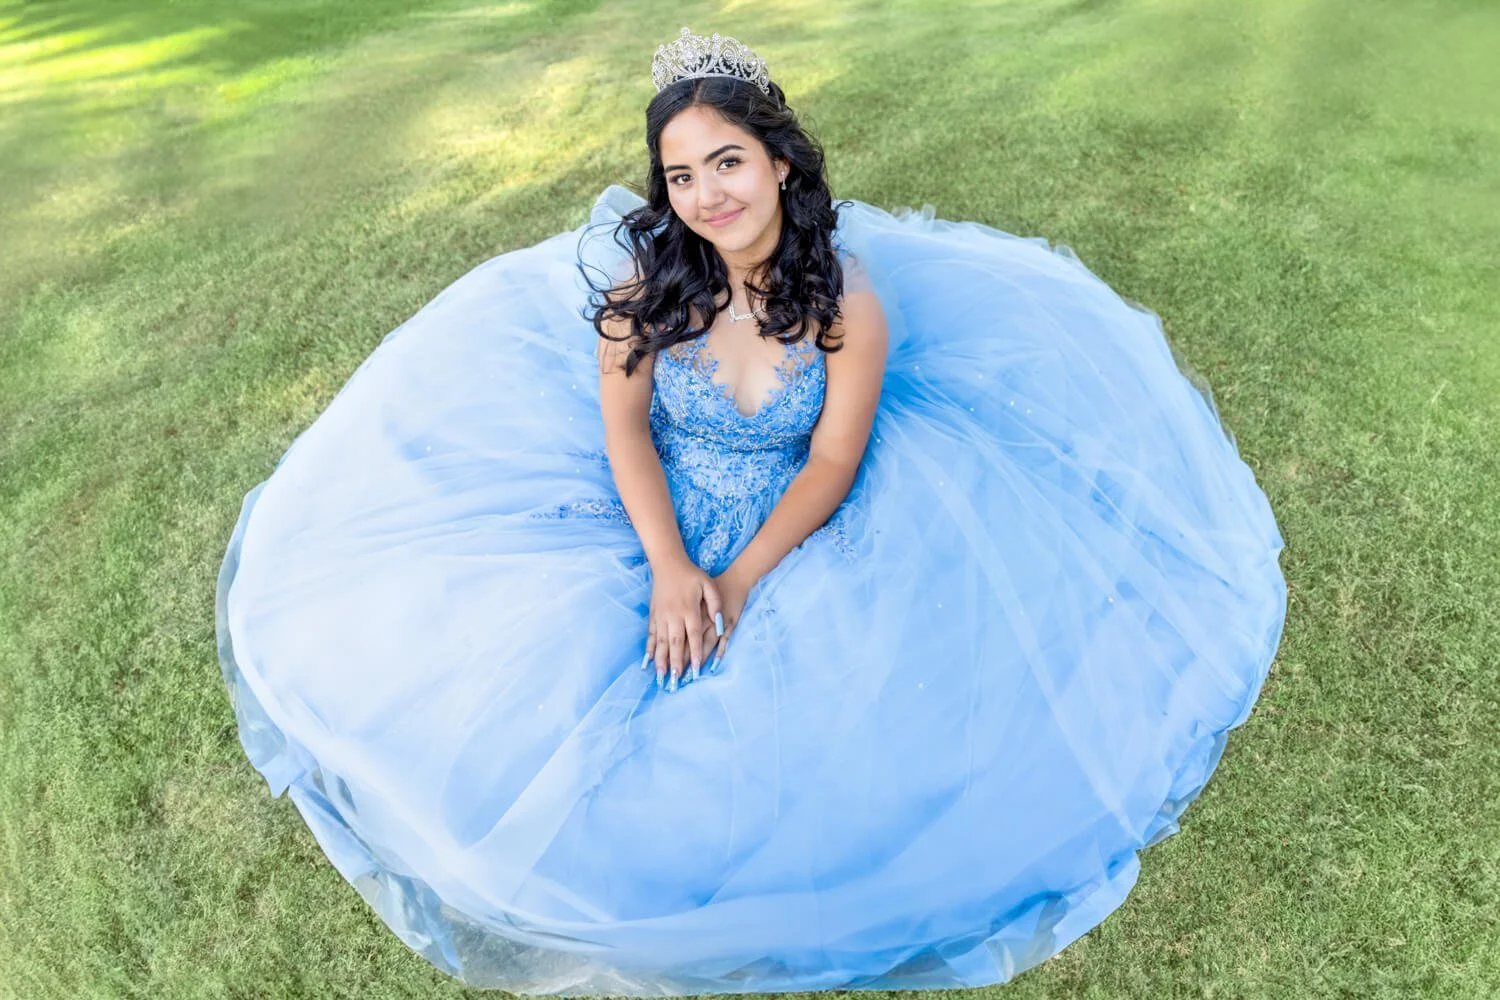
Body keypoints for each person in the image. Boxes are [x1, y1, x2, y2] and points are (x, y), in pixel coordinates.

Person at [214, 25, 1288, 995]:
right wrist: (673, 566)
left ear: (779, 160)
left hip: (784, 518)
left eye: (727, 162)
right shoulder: (643, 293)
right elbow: (627, 430)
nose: (706, 195)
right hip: (655, 509)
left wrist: (734, 577)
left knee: (817, 752)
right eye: (681, 174)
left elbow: (828, 464)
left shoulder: (844, 310)